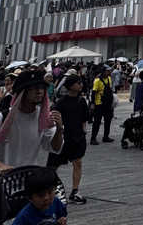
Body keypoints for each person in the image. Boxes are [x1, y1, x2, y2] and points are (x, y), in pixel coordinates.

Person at [0, 70, 64, 170]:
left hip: (31, 177)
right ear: (23, 91)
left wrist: (59, 129)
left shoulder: (44, 118)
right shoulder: (5, 117)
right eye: (34, 88)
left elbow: (55, 148)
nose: (39, 91)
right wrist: (2, 166)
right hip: (5, 178)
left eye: (42, 88)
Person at [46, 75, 89, 204]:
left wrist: (83, 133)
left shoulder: (82, 101)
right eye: (78, 83)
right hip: (63, 138)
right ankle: (51, 190)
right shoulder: (61, 102)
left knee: (78, 163)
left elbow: (84, 119)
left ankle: (75, 190)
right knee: (53, 166)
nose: (80, 85)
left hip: (77, 137)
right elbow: (54, 118)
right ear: (71, 86)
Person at [90, 65, 115, 145]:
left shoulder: (109, 79)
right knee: (97, 122)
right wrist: (92, 103)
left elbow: (110, 90)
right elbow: (93, 93)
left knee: (108, 121)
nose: (109, 72)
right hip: (99, 104)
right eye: (107, 71)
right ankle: (93, 138)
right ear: (103, 71)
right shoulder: (97, 81)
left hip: (108, 104)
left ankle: (106, 137)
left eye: (109, 71)